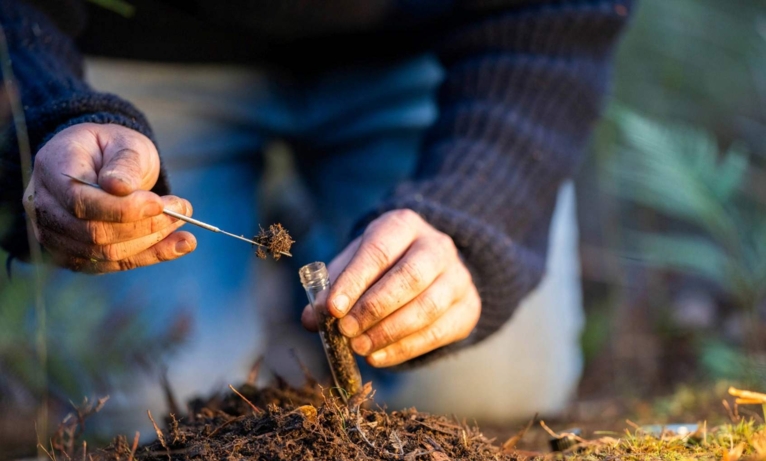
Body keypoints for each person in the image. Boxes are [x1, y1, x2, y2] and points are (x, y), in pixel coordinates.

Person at [0, 0, 633, 410]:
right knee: (129, 405)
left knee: (487, 393)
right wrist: (48, 113)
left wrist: (473, 211)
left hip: (431, 50)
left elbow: (564, 13)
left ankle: (312, 226)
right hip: (124, 50)